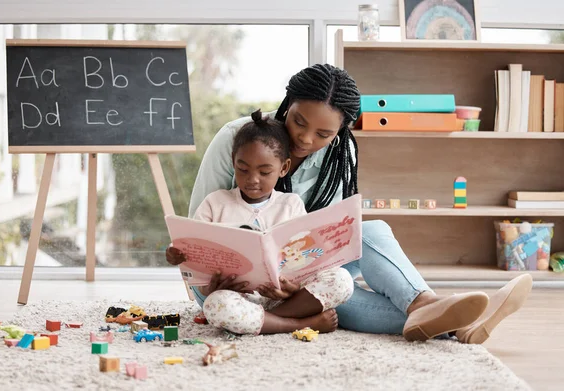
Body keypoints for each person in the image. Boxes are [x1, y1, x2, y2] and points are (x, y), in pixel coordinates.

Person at [183, 63, 533, 343]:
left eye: (323, 134)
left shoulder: (341, 153)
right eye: (299, 122)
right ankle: (456, 322)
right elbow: (197, 236)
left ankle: (425, 304)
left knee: (366, 237)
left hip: (301, 283)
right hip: (229, 287)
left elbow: (331, 243)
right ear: (287, 104)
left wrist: (301, 282)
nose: (305, 138)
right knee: (338, 301)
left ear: (340, 132)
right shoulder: (239, 138)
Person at [166, 109, 354, 335]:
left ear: (283, 168)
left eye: (265, 172)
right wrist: (176, 253)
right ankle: (296, 324)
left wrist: (293, 288)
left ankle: (265, 321)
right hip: (236, 298)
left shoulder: (291, 205)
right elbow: (195, 257)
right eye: (243, 169)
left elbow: (305, 264)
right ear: (233, 163)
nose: (252, 180)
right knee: (215, 306)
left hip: (283, 299)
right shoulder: (215, 203)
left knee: (342, 280)